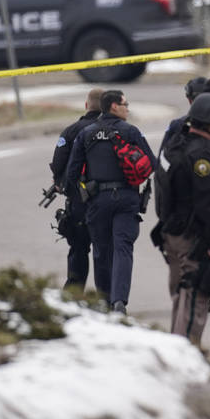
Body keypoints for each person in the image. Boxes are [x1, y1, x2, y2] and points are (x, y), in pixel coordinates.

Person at [153, 93, 210, 344]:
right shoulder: (203, 157)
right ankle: (186, 354)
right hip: (195, 238)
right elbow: (208, 202)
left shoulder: (175, 144)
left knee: (180, 297)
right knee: (195, 300)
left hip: (172, 233)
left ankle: (177, 348)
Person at [159, 45, 210, 310]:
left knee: (204, 255)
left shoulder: (183, 127)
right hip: (198, 204)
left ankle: (204, 293)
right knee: (209, 255)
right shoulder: (184, 129)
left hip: (192, 209)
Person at [64, 90, 156, 314]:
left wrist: (80, 194)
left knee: (101, 250)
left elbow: (72, 173)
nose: (128, 108)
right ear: (114, 106)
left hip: (98, 200)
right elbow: (151, 162)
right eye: (125, 104)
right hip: (127, 198)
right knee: (123, 248)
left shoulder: (86, 134)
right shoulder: (130, 131)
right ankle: (119, 301)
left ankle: (104, 299)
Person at [48, 87, 104, 291]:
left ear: (86, 105)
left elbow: (58, 162)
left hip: (78, 200)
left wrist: (59, 183)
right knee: (103, 248)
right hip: (105, 198)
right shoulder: (114, 128)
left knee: (79, 247)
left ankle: (74, 291)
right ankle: (105, 294)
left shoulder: (71, 131)